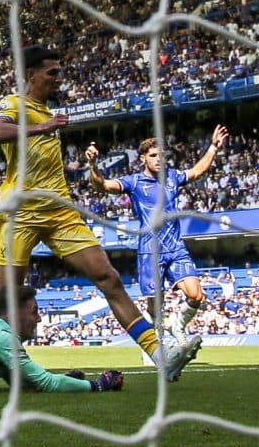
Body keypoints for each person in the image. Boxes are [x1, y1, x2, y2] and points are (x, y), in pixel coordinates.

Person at [0, 47, 200, 380]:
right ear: (31, 74)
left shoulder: (50, 113)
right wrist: (43, 128)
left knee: (109, 278)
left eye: (60, 72)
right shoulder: (14, 104)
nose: (59, 78)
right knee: (2, 300)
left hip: (61, 213)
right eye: (52, 72)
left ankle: (161, 355)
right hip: (20, 215)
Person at [85, 126, 229, 338]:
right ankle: (154, 343)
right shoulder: (134, 182)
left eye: (162, 155)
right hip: (151, 250)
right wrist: (93, 165)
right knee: (156, 305)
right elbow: (102, 186)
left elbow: (197, 171)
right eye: (153, 156)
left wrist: (213, 148)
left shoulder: (173, 176)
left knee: (196, 295)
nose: (159, 159)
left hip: (176, 247)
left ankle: (177, 325)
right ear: (143, 158)